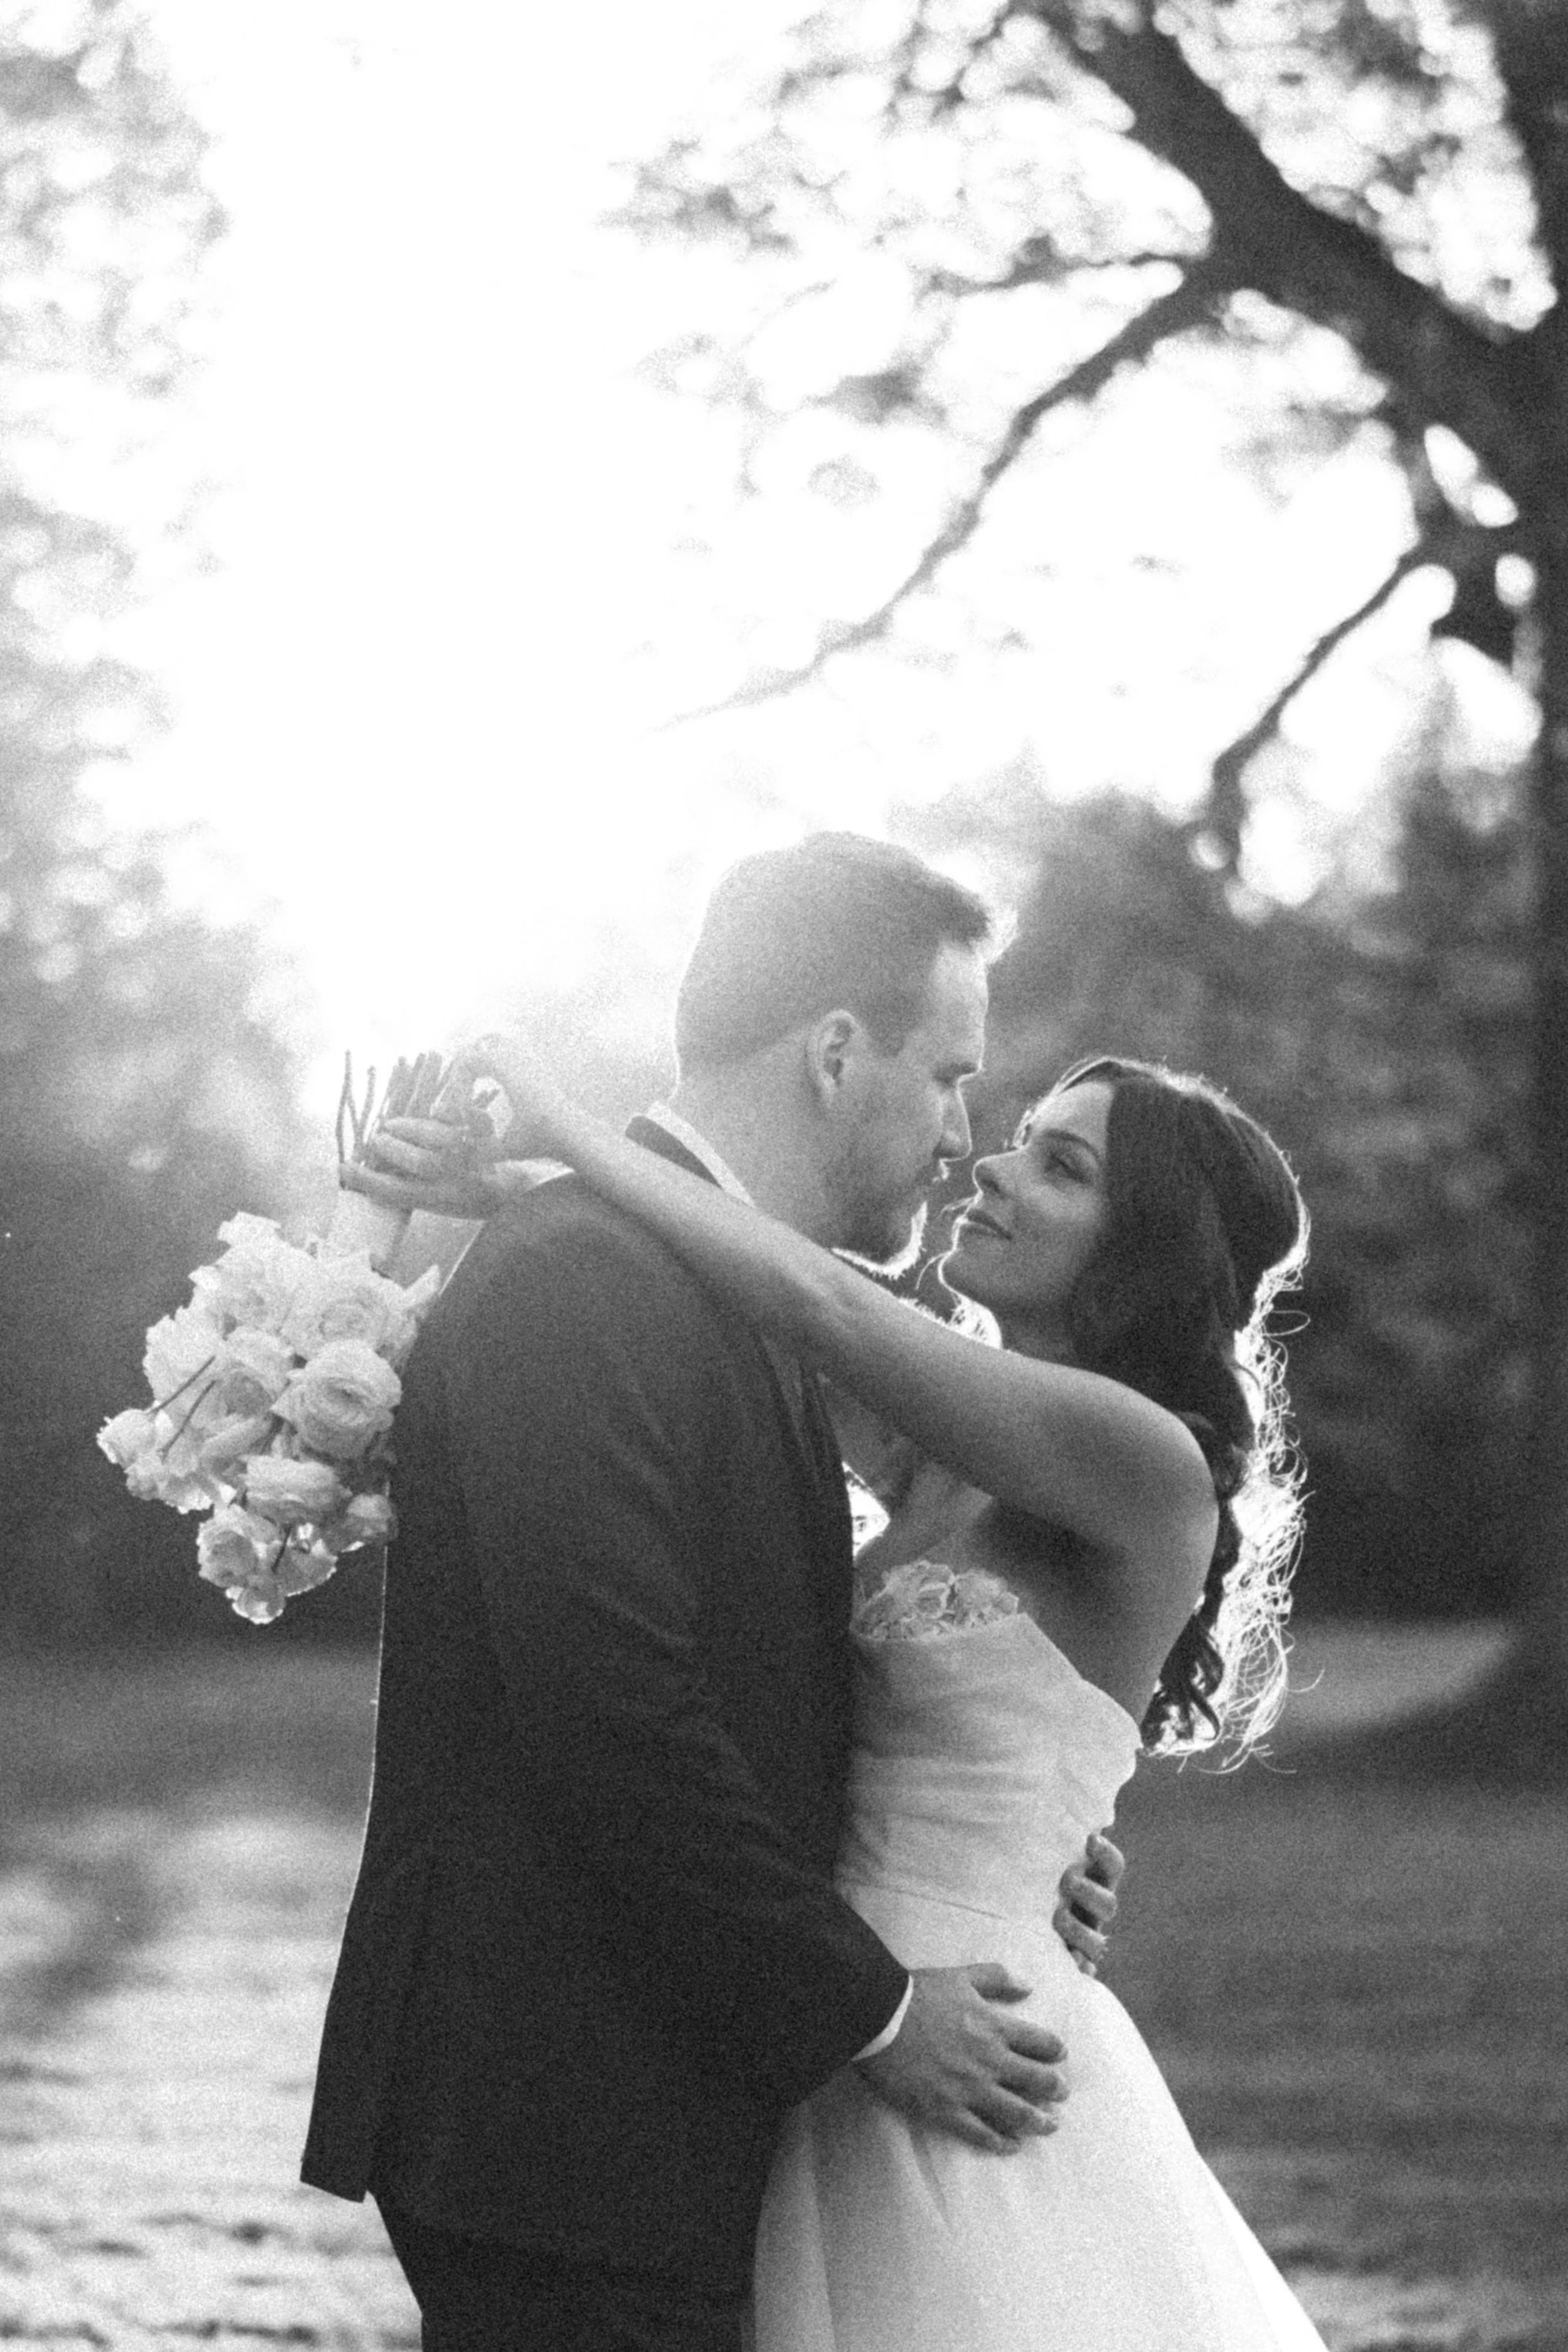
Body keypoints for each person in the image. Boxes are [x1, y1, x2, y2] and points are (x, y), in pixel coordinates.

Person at [377, 1026, 1324, 2351]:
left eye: (1059, 1167)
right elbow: (721, 1292)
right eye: (1019, 1137)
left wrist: (569, 1128)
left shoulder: (1143, 1460)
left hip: (970, 2047)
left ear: (1146, 1253)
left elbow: (817, 1303)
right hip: (819, 2025)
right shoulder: (943, 1439)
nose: (987, 1165)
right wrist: (524, 1195)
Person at [301, 833, 1120, 2352]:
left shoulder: (702, 1273)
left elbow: (772, 1672)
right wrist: (874, 2011)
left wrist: (1010, 1841)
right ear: (833, 1052)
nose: (959, 1134)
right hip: (563, 2114)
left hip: (647, 2094)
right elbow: (616, 1716)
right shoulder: (584, 1277)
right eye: (948, 1075)